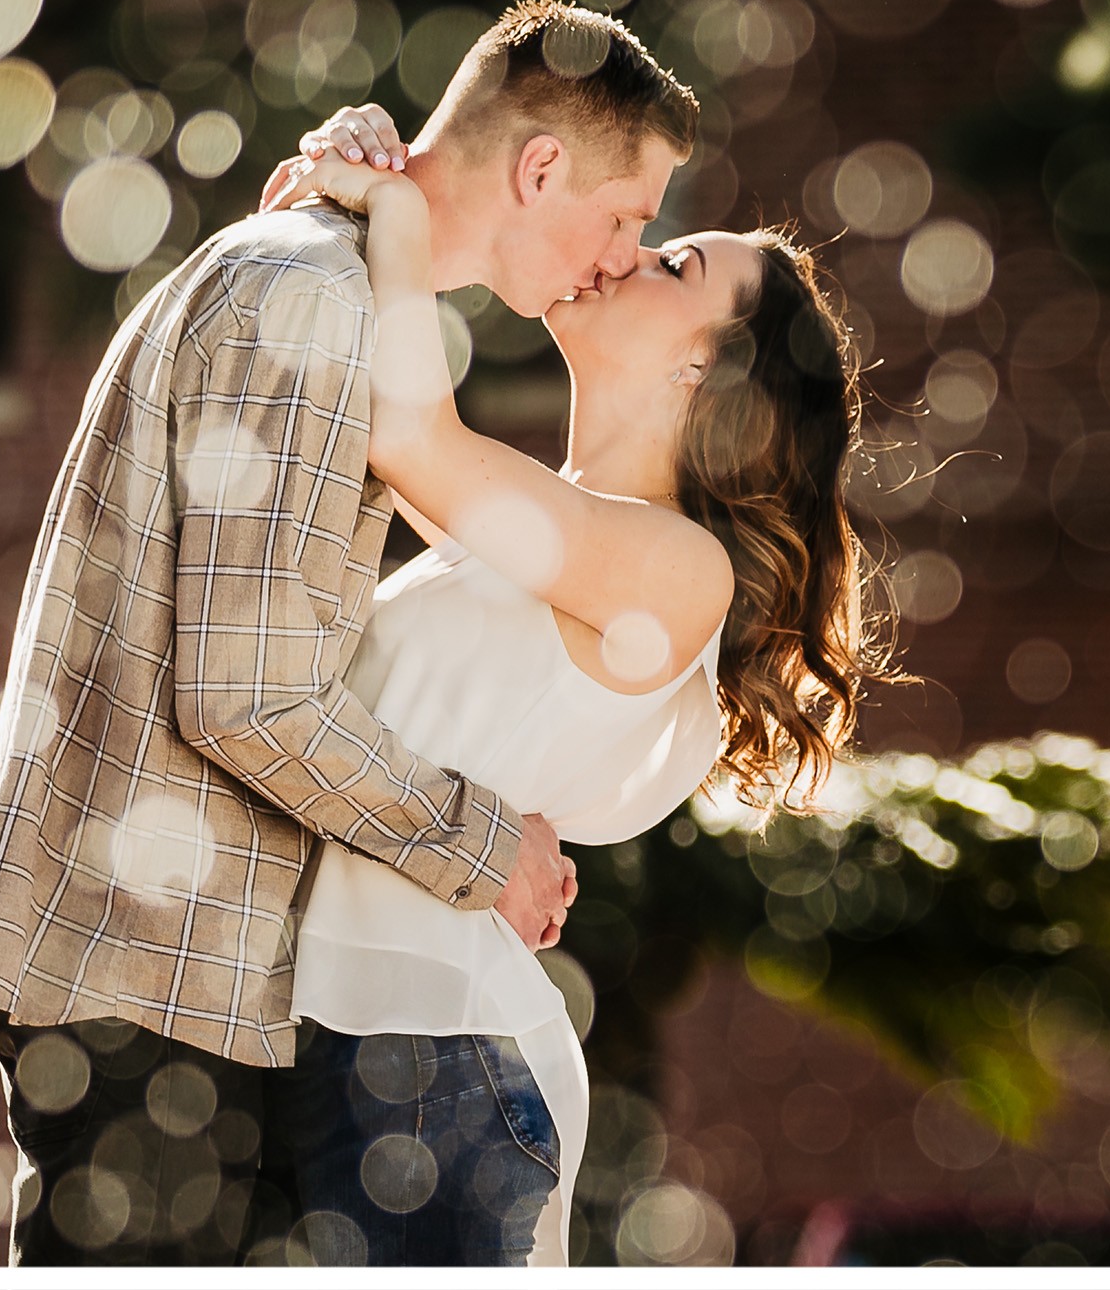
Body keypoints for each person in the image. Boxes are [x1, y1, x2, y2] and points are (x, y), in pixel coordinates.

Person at [0, 0, 697, 1264]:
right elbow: (249, 696)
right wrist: (482, 846)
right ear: (541, 165)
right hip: (152, 984)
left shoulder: (318, 278)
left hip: (164, 979)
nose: (619, 255)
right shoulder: (310, 298)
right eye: (624, 216)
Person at [254, 84, 887, 1265]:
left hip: (430, 1078)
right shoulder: (550, 530)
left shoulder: (672, 570)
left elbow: (408, 436)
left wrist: (393, 215)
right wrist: (333, 215)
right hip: (338, 1049)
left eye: (675, 261)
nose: (631, 251)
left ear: (707, 369)